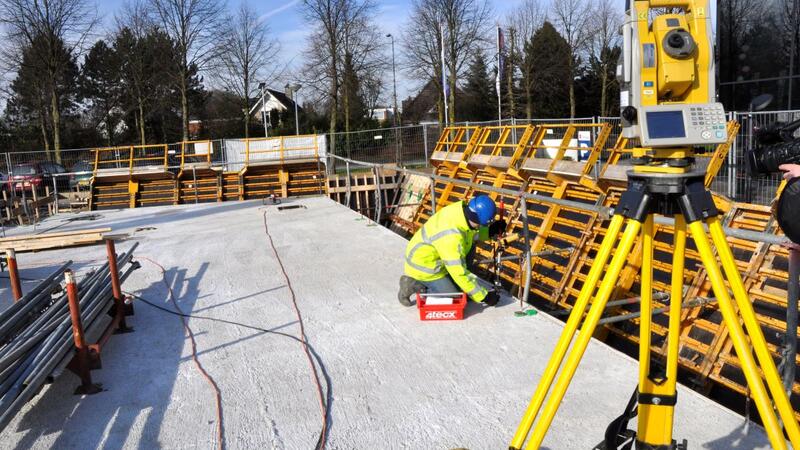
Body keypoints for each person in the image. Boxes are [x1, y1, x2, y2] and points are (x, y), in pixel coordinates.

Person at [397, 194, 508, 307]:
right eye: (482, 225)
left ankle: (462, 286)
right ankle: (413, 284)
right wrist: (484, 296)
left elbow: (469, 233)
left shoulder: (460, 213)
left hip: (437, 257)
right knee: (455, 298)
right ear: (475, 219)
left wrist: (489, 231)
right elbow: (458, 271)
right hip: (425, 267)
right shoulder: (451, 236)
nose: (481, 227)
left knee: (470, 247)